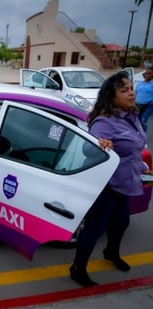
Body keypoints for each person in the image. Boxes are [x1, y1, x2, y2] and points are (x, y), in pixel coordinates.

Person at [69, 71, 153, 287]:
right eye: (124, 90)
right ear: (111, 96)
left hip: (126, 182)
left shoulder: (132, 116)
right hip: (108, 185)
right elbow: (89, 149)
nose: (131, 93)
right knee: (95, 229)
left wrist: (144, 167)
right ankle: (78, 268)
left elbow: (134, 149)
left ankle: (110, 253)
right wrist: (100, 144)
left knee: (121, 223)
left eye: (131, 88)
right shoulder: (104, 122)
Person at [135, 67, 153, 131]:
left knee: (143, 121)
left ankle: (143, 137)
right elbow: (136, 93)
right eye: (146, 73)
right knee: (136, 121)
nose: (147, 75)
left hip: (148, 106)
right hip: (138, 105)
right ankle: (138, 135)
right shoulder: (140, 83)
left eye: (149, 73)